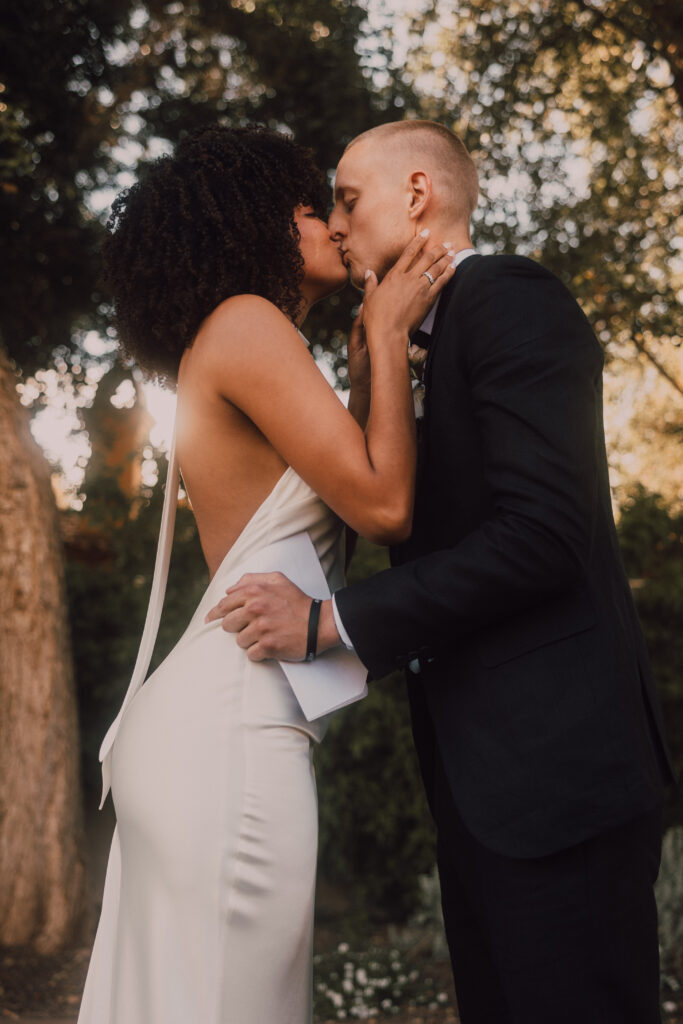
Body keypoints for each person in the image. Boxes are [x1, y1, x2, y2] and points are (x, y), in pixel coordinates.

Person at [207, 120, 675, 1024]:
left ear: (416, 194)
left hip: (558, 776)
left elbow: (543, 536)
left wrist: (327, 623)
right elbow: (394, 513)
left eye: (347, 199)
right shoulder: (401, 340)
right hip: (480, 777)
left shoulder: (507, 297)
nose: (336, 224)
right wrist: (374, 370)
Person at [77, 124, 456, 1024]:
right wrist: (389, 328)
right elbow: (385, 507)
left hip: (220, 721)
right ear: (252, 224)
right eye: (309, 206)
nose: (332, 224)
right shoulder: (247, 323)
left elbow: (319, 550)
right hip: (232, 733)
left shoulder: (235, 342)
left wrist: (367, 384)